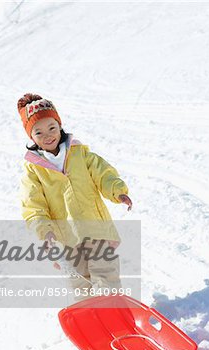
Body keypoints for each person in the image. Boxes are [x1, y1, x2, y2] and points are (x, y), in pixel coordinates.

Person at [18, 93, 133, 301]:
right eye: (39, 132)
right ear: (31, 137)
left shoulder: (80, 154)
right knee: (81, 283)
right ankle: (91, 321)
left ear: (59, 125)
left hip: (95, 228)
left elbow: (102, 173)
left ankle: (115, 314)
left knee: (105, 275)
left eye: (52, 127)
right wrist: (45, 231)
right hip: (65, 238)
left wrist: (117, 190)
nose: (47, 135)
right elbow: (33, 206)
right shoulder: (33, 170)